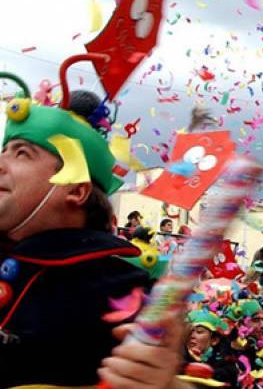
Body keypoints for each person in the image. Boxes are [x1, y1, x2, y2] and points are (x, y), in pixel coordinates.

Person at [0, 79, 186, 388]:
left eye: (22, 154)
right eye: (4, 149)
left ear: (75, 190)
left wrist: (166, 385)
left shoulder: (126, 291)